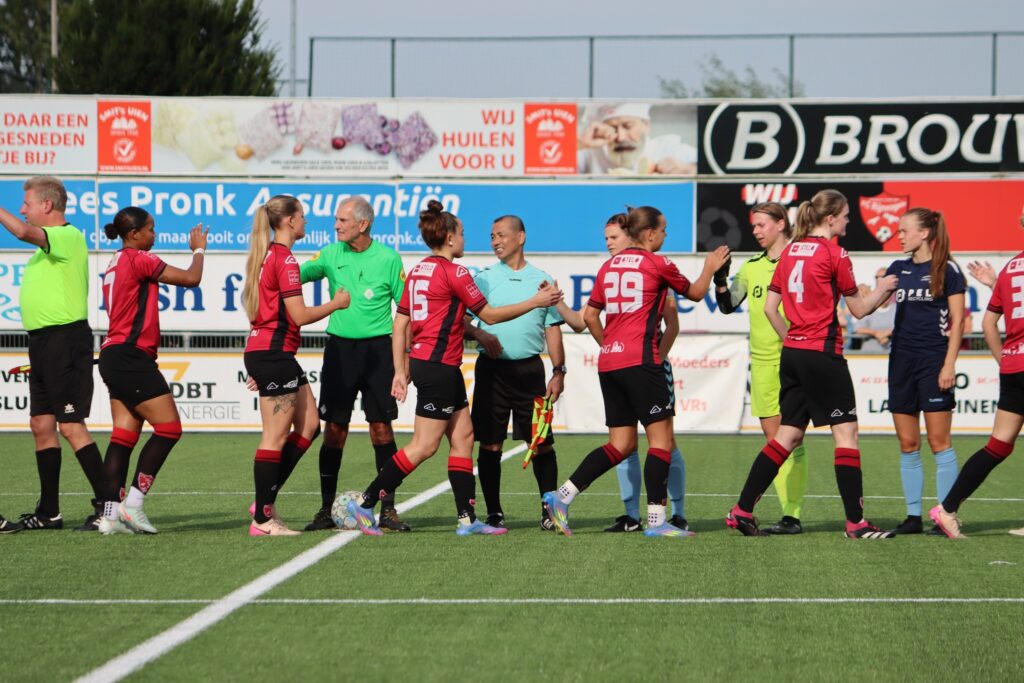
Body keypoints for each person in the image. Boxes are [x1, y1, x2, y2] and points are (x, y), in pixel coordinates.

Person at [347, 200, 561, 536]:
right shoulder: (455, 272)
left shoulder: (418, 270)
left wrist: (401, 369)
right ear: (449, 237)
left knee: (464, 437)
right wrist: (535, 301)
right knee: (424, 446)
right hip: (438, 367)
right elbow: (489, 316)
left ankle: (467, 519)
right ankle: (364, 502)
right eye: (461, 233)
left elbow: (400, 322)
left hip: (434, 364)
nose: (465, 238)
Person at [543, 206, 729, 537]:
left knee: (620, 445)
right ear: (650, 233)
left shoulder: (607, 267)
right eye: (664, 229)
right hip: (642, 362)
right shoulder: (657, 263)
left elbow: (589, 317)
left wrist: (610, 346)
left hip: (610, 364)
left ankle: (562, 497)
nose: (666, 235)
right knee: (661, 441)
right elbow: (697, 293)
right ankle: (657, 521)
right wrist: (709, 267)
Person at [725, 189, 897, 539]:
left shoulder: (790, 252)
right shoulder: (835, 253)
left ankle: (741, 510)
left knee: (786, 435)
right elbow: (859, 310)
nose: (848, 221)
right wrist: (883, 288)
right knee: (846, 435)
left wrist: (792, 340)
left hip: (792, 354)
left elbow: (770, 308)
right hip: (823, 354)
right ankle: (856, 523)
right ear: (830, 218)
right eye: (846, 215)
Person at [561, 213, 689, 533]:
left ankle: (677, 512)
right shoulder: (633, 267)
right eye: (606, 238)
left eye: (614, 237)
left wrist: (652, 355)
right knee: (641, 444)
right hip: (636, 362)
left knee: (648, 443)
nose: (609, 243)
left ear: (631, 235)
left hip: (637, 361)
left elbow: (671, 322)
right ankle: (638, 516)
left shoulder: (634, 269)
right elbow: (585, 318)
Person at [0, 176, 106, 533]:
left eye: (27, 203)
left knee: (71, 425)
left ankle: (109, 506)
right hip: (43, 343)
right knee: (41, 425)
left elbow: (22, 232)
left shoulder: (67, 236)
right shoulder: (47, 248)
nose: (22, 209)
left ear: (47, 205)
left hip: (66, 341)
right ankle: (49, 513)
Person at [298, 196, 411, 532]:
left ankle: (388, 510)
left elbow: (406, 311)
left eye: (343, 220)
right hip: (340, 352)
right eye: (336, 220)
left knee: (381, 430)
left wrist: (404, 360)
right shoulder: (330, 254)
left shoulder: (389, 258)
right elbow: (293, 277)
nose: (336, 226)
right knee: (334, 431)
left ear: (363, 224)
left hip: (379, 353)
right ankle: (325, 509)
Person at [94, 208, 208, 534]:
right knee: (169, 429)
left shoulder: (115, 261)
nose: (154, 235)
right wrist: (198, 250)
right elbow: (192, 278)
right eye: (150, 229)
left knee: (123, 436)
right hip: (132, 357)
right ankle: (133, 503)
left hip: (113, 354)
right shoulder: (138, 258)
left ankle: (110, 517)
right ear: (134, 234)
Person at [243, 195, 350, 536]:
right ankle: (262, 519)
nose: (306, 221)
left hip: (271, 354)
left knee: (309, 426)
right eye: (302, 215)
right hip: (273, 355)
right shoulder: (284, 259)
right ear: (289, 220)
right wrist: (336, 303)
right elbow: (300, 315)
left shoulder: (267, 255)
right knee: (274, 437)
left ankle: (265, 498)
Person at [464, 215, 566, 531]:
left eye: (501, 235)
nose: (495, 241)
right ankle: (494, 512)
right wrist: (480, 334)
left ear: (520, 237)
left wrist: (558, 371)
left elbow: (552, 328)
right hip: (491, 372)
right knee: (490, 445)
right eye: (492, 236)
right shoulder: (483, 279)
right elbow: (462, 322)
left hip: (530, 372)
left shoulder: (542, 280)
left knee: (541, 443)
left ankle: (549, 510)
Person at [715, 202, 809, 535]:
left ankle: (792, 515)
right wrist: (720, 278)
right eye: (753, 226)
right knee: (776, 439)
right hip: (764, 364)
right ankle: (789, 516)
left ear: (782, 224)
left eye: (761, 224)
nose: (755, 231)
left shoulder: (800, 260)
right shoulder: (752, 267)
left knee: (795, 439)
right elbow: (727, 305)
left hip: (798, 361)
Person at [931, 217, 1024, 538]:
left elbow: (988, 324)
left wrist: (1005, 361)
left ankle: (947, 510)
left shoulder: (1011, 269)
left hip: (1014, 366)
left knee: (998, 445)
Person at [884, 209, 965, 535]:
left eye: (904, 231)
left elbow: (958, 322)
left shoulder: (948, 269)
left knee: (938, 441)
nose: (899, 236)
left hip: (933, 361)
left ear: (925, 233)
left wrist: (949, 364)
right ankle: (913, 516)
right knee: (907, 442)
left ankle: (945, 515)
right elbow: (873, 304)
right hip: (900, 362)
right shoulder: (897, 268)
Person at [577, 103, 696, 175]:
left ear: (646, 125)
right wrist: (580, 143)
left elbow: (706, 165)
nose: (620, 137)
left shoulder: (667, 149)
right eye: (612, 129)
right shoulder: (590, 154)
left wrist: (690, 169)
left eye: (628, 126)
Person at [849, 268, 896, 352]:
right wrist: (876, 333)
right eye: (877, 277)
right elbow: (858, 328)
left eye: (883, 277)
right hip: (869, 354)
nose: (879, 279)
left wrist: (887, 333)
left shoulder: (896, 307)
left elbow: (905, 326)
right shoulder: (868, 305)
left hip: (891, 353)